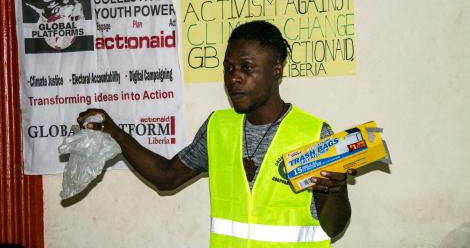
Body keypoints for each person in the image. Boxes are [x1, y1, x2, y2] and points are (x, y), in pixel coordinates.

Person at [78, 20, 355, 247]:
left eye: (247, 68)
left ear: (276, 70)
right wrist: (117, 134)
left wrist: (335, 189)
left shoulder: (313, 133)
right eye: (228, 68)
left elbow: (333, 228)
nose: (234, 77)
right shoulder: (218, 127)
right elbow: (166, 177)